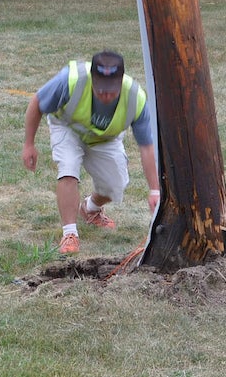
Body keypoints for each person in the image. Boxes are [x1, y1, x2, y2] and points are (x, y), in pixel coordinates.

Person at [22, 51, 160, 254]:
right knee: (68, 168)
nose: (106, 95)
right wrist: (29, 144)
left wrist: (154, 190)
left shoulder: (136, 98)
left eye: (112, 90)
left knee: (116, 185)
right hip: (68, 127)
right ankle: (70, 233)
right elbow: (37, 103)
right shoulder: (70, 80)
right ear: (92, 79)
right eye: (101, 89)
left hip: (105, 138)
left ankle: (90, 208)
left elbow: (146, 147)